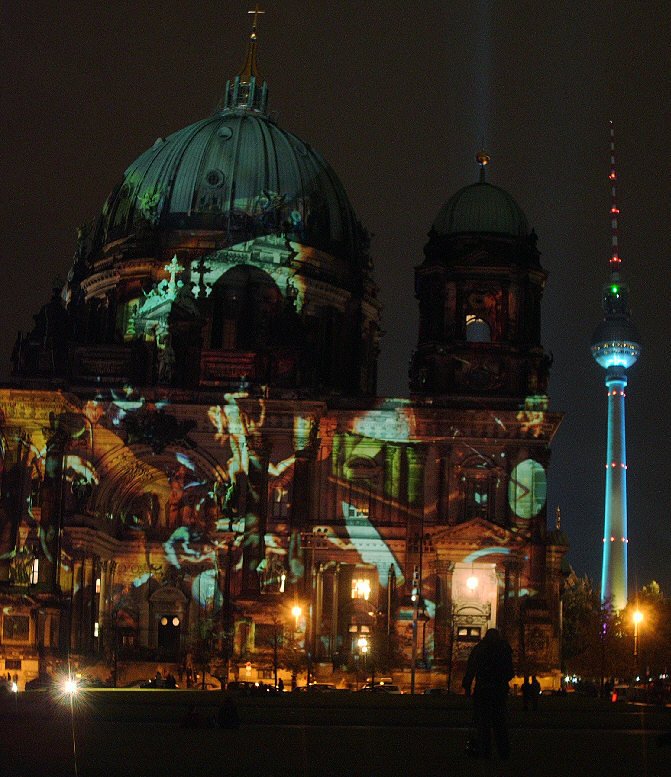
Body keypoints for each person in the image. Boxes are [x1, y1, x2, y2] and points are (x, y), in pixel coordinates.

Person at [462, 627, 514, 760]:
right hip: (498, 691)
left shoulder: (480, 648)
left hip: (483, 690)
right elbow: (510, 672)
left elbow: (471, 668)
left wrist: (467, 686)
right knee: (499, 722)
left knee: (483, 723)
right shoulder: (504, 649)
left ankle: (485, 752)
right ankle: (504, 752)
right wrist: (501, 680)